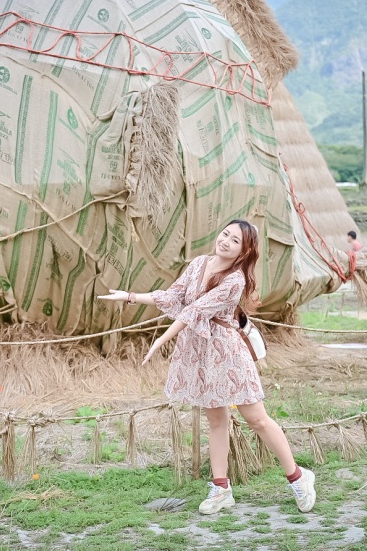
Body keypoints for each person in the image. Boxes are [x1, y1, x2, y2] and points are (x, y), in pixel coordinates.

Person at [98, 219, 317, 515]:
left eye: (235, 240)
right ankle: (221, 488)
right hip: (201, 353)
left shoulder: (235, 279)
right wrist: (130, 296)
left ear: (244, 251)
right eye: (225, 234)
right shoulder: (199, 263)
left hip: (227, 354)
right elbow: (174, 296)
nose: (225, 241)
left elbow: (195, 310)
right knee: (216, 420)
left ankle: (298, 478)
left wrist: (161, 339)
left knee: (257, 418)